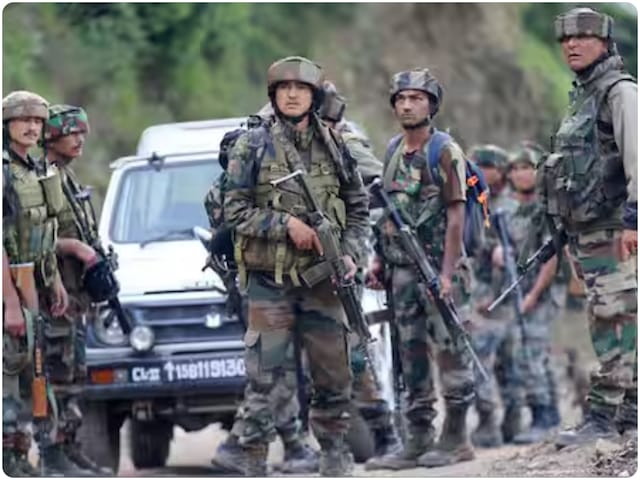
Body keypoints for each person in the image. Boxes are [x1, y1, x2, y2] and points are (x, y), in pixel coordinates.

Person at [222, 56, 370, 476]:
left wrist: (351, 253)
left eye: (300, 89)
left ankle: (334, 451)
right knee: (265, 376)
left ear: (313, 96)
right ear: (273, 96)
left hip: (325, 281)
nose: (291, 95)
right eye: (284, 89)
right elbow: (235, 211)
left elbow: (358, 208)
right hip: (271, 281)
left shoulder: (335, 144)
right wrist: (285, 225)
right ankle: (252, 455)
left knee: (334, 373)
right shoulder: (251, 146)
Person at [365, 68, 475, 470]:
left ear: (432, 105)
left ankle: (457, 438)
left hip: (439, 269)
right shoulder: (394, 149)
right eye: (401, 99)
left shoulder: (444, 150)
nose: (407, 105)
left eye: (416, 98)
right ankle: (417, 438)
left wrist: (445, 275)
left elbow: (456, 216)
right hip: (402, 271)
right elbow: (388, 213)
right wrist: (380, 261)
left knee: (450, 353)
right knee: (409, 356)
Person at [542, 7, 637, 448]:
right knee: (612, 316)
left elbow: (637, 157)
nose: (572, 45)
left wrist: (635, 220)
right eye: (566, 39)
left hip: (616, 228)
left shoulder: (620, 91)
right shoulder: (583, 96)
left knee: (613, 317)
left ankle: (604, 416)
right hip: (588, 231)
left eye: (582, 37)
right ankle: (630, 413)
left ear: (605, 42)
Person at [2, 90, 91, 476]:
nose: (31, 127)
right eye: (24, 120)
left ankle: (41, 458)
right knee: (12, 376)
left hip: (37, 287)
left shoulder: (35, 171)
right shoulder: (5, 171)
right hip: (13, 287)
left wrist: (54, 283)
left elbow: (45, 233)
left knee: (40, 376)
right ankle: (12, 460)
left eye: (38, 121)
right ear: (7, 124)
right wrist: (10, 302)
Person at [43, 104, 113, 475]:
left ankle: (70, 447)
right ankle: (52, 454)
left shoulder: (66, 177)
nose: (80, 139)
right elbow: (31, 238)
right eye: (72, 133)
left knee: (74, 376)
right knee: (57, 375)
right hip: (54, 296)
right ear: (52, 137)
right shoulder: (40, 178)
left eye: (82, 132)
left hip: (76, 296)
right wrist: (75, 248)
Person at [501, 144, 560, 444]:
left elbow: (552, 257)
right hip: (518, 290)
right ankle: (551, 414)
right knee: (531, 352)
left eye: (526, 167)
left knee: (531, 353)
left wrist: (534, 295)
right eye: (515, 169)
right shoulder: (508, 210)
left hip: (543, 292)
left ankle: (543, 415)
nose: (520, 174)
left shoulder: (546, 207)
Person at [466, 144, 522, 447]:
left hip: (502, 298)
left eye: (485, 167)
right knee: (482, 360)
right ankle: (488, 421)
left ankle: (512, 420)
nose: (479, 172)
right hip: (478, 296)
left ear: (500, 171)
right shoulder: (473, 202)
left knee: (507, 362)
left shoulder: (509, 206)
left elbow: (516, 254)